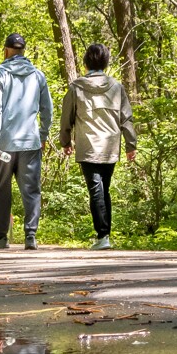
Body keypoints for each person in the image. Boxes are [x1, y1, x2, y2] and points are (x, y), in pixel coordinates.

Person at [59, 43, 136, 251]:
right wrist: (131, 144)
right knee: (104, 190)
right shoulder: (116, 87)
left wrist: (65, 141)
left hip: (88, 145)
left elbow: (66, 117)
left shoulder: (77, 87)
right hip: (111, 146)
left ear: (85, 63)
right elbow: (126, 118)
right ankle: (105, 235)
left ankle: (103, 235)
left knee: (96, 190)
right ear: (106, 62)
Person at [0, 33, 53, 251]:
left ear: (5, 50)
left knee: (2, 188)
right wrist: (42, 135)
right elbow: (47, 110)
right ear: (23, 51)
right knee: (31, 190)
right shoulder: (38, 76)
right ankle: (30, 236)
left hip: (5, 142)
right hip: (30, 142)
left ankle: (1, 237)